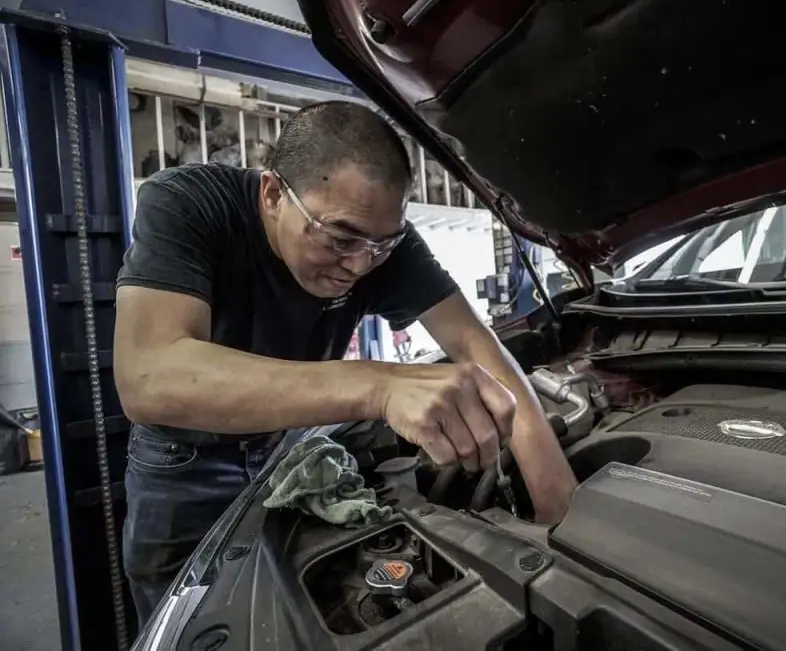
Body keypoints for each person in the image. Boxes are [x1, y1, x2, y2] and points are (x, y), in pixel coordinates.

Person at [113, 101, 578, 628]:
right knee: (188, 622)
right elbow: (149, 376)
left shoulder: (380, 244)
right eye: (340, 238)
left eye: (383, 243)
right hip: (186, 462)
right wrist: (380, 386)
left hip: (292, 445)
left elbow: (476, 345)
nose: (360, 264)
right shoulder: (189, 203)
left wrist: (557, 507)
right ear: (272, 194)